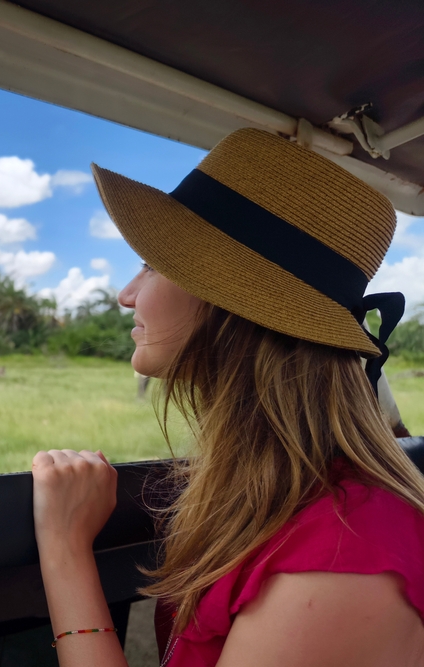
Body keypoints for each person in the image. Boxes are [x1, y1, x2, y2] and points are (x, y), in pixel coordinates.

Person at [32, 128, 424, 666]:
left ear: (225, 299)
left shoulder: (342, 549)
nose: (127, 295)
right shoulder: (275, 492)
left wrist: (63, 551)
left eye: (151, 263)